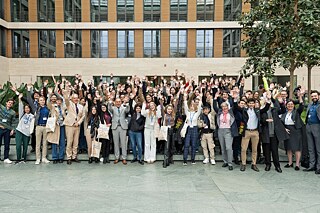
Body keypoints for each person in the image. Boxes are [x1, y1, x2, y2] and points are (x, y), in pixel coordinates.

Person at [234, 93, 271, 172]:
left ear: (254, 104)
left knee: (255, 149)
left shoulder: (257, 111)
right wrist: (235, 99)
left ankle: (254, 164)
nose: (251, 104)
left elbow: (266, 108)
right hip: (246, 131)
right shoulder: (244, 110)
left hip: (255, 132)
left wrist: (268, 100)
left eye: (252, 103)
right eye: (250, 103)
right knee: (243, 149)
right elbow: (237, 107)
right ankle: (243, 164)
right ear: (247, 104)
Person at [260, 97, 288, 173]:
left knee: (275, 151)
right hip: (266, 134)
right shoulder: (262, 111)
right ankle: (268, 164)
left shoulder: (275, 110)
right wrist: (266, 121)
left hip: (274, 134)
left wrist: (282, 103)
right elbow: (261, 122)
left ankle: (277, 166)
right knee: (266, 151)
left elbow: (283, 110)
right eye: (266, 101)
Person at [213, 92, 238, 170]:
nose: (224, 108)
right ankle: (225, 161)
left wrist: (235, 99)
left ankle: (230, 163)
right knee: (223, 147)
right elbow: (215, 107)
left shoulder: (230, 112)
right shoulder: (219, 112)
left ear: (228, 106)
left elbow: (236, 107)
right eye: (222, 106)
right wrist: (215, 99)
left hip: (228, 131)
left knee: (228, 147)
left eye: (225, 106)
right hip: (221, 130)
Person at [281, 91, 304, 171]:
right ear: (286, 106)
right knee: (288, 147)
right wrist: (284, 128)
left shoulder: (296, 112)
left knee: (297, 148)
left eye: (291, 104)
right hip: (287, 130)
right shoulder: (284, 113)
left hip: (295, 131)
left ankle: (297, 164)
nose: (290, 105)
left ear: (294, 105)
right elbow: (281, 122)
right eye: (288, 104)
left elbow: (301, 106)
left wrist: (300, 96)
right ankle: (290, 163)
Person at [63, 89, 85, 165]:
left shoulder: (81, 106)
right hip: (69, 125)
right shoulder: (69, 104)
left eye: (76, 98)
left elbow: (83, 116)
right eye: (74, 98)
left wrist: (78, 123)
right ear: (72, 99)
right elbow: (66, 100)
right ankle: (69, 157)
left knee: (76, 142)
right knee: (69, 142)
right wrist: (66, 93)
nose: (75, 99)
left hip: (77, 126)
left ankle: (74, 156)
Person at [108, 97, 130, 165]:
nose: (118, 103)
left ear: (121, 102)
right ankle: (117, 157)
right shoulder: (113, 108)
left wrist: (126, 103)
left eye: (119, 101)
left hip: (123, 127)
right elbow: (109, 108)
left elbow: (128, 110)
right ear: (115, 102)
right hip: (115, 127)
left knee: (123, 143)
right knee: (116, 143)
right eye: (116, 102)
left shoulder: (124, 108)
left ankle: (124, 158)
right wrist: (110, 102)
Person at [183, 92, 202, 166]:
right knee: (187, 144)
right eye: (191, 106)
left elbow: (200, 108)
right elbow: (185, 106)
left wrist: (200, 98)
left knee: (194, 144)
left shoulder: (196, 113)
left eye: (193, 106)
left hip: (194, 128)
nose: (192, 107)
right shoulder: (188, 113)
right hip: (188, 129)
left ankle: (193, 159)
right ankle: (185, 159)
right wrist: (185, 99)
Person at [47, 94, 67, 164]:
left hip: (62, 125)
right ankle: (55, 157)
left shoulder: (63, 108)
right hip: (55, 126)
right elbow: (48, 103)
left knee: (62, 142)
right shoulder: (53, 107)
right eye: (57, 101)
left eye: (60, 101)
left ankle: (61, 157)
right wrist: (49, 95)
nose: (59, 102)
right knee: (54, 141)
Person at [15, 94, 34, 164]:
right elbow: (20, 106)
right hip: (19, 131)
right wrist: (19, 99)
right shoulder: (22, 114)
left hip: (27, 133)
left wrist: (30, 132)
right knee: (18, 145)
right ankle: (18, 158)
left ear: (30, 109)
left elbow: (32, 125)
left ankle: (24, 158)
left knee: (25, 146)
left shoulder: (32, 116)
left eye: (28, 108)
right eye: (26, 108)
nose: (27, 109)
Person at [304, 90, 320, 174]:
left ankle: (319, 167)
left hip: (317, 126)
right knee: (310, 148)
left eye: (315, 96)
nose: (314, 97)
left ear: (318, 96)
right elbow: (302, 104)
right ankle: (311, 165)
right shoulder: (310, 105)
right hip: (308, 126)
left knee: (318, 148)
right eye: (312, 96)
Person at [32, 96, 50, 165]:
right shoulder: (37, 108)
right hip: (39, 126)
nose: (42, 101)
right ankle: (38, 158)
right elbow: (31, 102)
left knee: (45, 143)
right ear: (38, 101)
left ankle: (44, 158)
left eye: (43, 100)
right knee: (38, 143)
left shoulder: (47, 108)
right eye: (41, 100)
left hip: (45, 126)